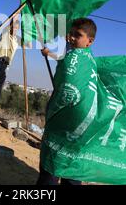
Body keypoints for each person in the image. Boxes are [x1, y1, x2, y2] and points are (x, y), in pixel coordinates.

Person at [36, 18, 96, 185]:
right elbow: (64, 63)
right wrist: (49, 54)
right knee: (51, 169)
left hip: (76, 124)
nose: (71, 38)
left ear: (89, 41)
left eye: (77, 35)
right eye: (71, 34)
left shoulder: (89, 64)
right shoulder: (73, 57)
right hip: (60, 125)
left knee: (70, 171)